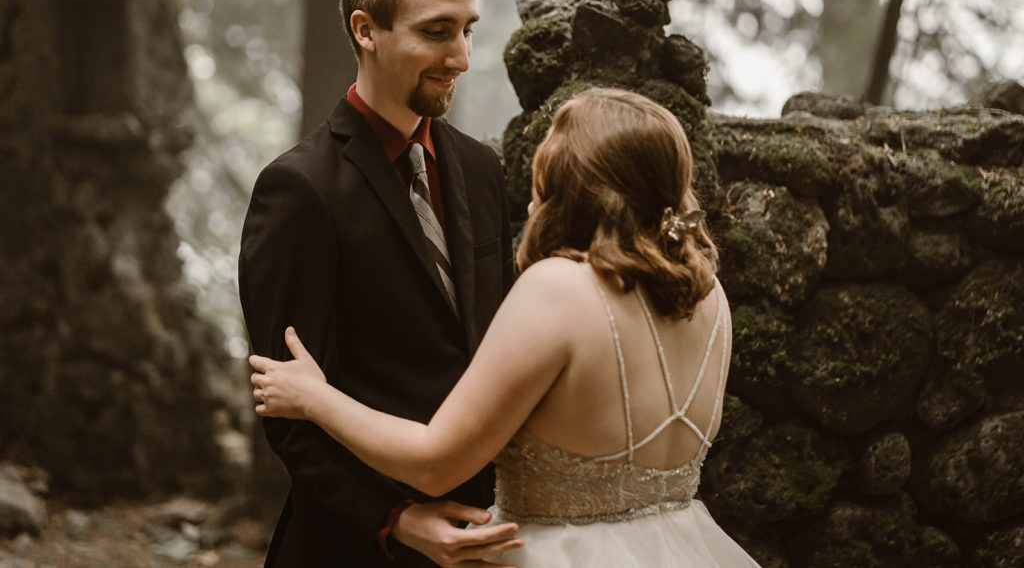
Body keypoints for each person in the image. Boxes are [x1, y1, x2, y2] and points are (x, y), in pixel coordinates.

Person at [251, 88, 762, 567]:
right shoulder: (708, 296)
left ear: (572, 182)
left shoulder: (559, 289)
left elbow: (435, 463)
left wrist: (314, 398)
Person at [239, 0, 520, 566]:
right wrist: (398, 520)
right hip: (353, 548)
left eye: (468, 29)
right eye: (436, 32)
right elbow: (285, 410)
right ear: (366, 30)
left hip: (486, 537)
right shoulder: (298, 190)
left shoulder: (481, 170)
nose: (462, 57)